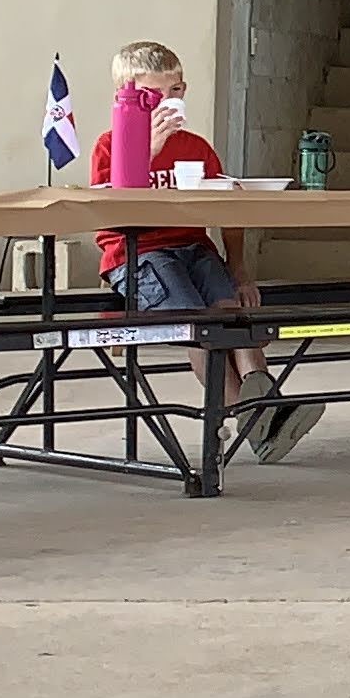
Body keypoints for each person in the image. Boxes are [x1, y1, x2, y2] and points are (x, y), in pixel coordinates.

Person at [84, 42, 310, 461]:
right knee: (202, 327)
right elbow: (111, 211)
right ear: (128, 98)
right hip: (139, 253)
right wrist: (145, 151)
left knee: (233, 314)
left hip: (193, 246)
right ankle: (258, 418)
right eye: (154, 95)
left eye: (176, 90)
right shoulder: (110, 145)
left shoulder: (196, 147)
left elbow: (227, 209)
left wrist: (239, 269)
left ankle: (265, 408)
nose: (167, 102)